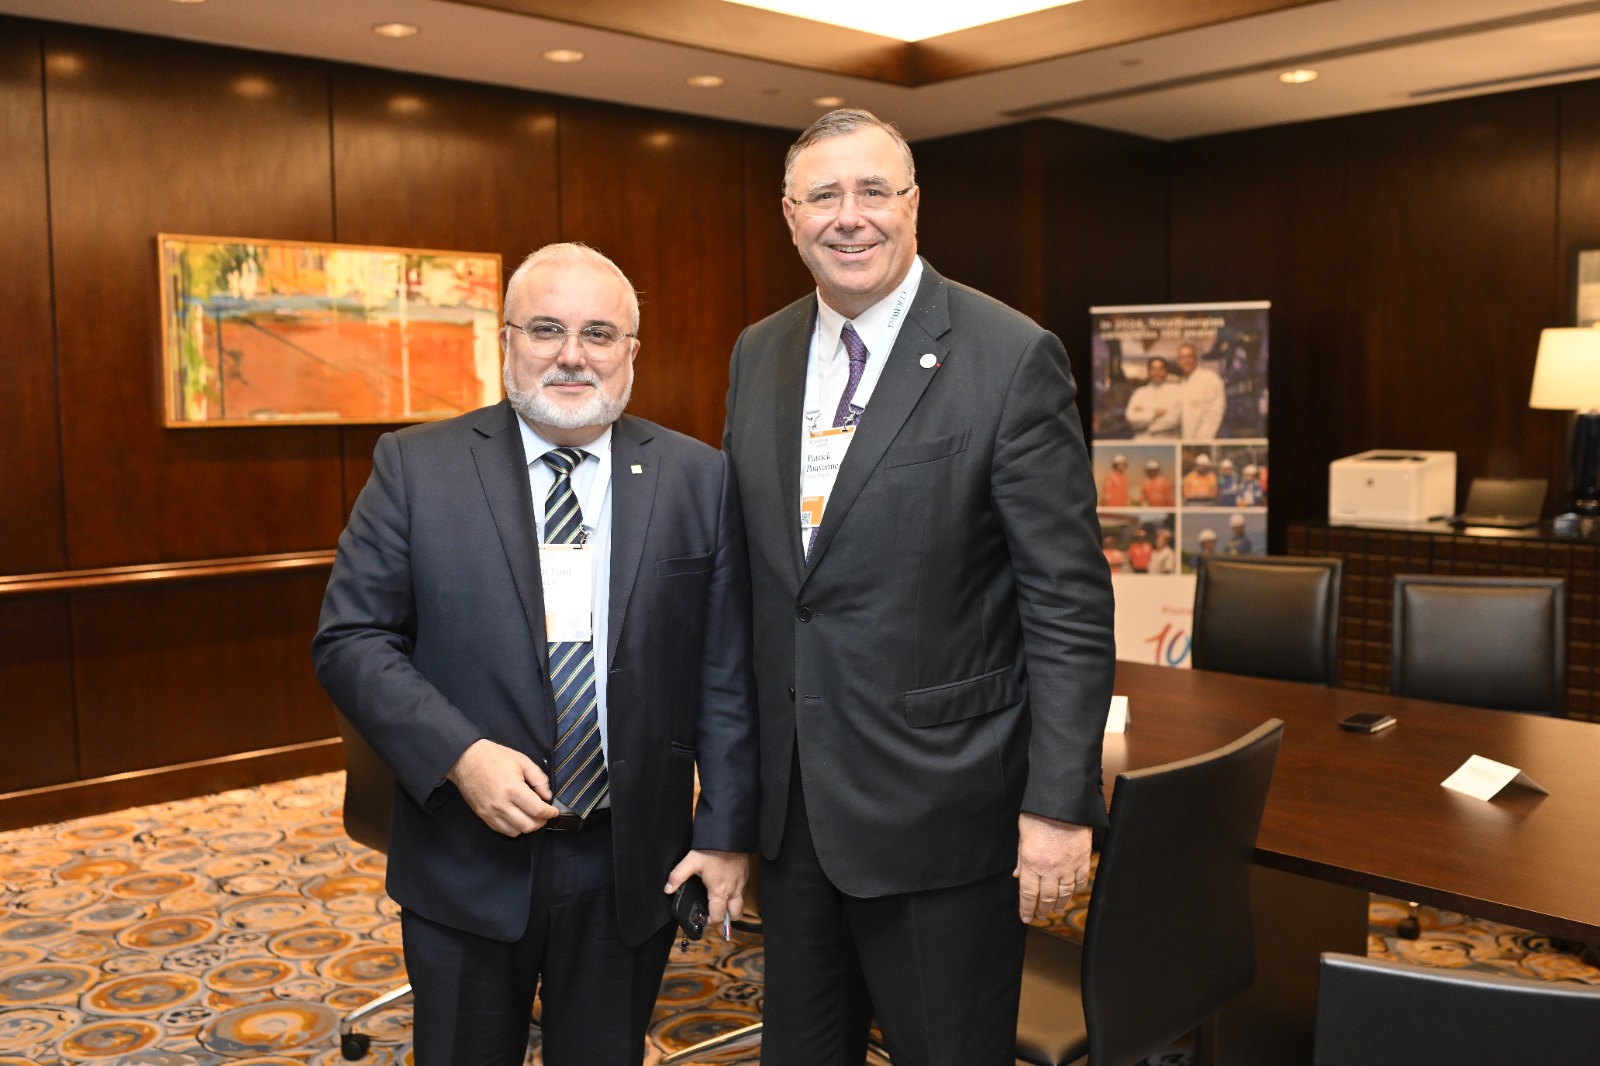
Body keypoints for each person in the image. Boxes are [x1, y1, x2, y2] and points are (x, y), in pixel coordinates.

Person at [722, 109, 1115, 1066]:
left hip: (944, 812)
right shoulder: (758, 351)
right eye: (823, 196)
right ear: (789, 217)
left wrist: (1059, 804)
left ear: (913, 204)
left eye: (873, 191)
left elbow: (1066, 603)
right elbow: (763, 589)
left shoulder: (1010, 354)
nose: (848, 217)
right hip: (795, 814)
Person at [312, 243, 759, 1066]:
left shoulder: (699, 478)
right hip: (466, 849)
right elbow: (351, 640)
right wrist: (461, 755)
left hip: (631, 860)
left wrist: (726, 832)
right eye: (546, 329)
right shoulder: (416, 467)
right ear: (507, 340)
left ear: (631, 351)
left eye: (599, 333)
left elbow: (726, 672)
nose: (572, 355)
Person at [1176, 341, 1226, 440]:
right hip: (1185, 441)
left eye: (1189, 357)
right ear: (1178, 362)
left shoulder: (1210, 378)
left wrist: (1201, 440)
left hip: (1204, 441)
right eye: (1182, 357)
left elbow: (1215, 412)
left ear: (1196, 359)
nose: (1186, 361)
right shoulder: (1181, 384)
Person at [1123, 356, 1181, 438]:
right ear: (1149, 371)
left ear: (1166, 371)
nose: (1157, 372)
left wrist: (1144, 422)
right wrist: (1154, 413)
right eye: (1153, 369)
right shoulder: (1139, 392)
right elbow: (1130, 417)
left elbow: (1173, 419)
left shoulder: (1175, 390)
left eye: (1161, 369)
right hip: (1141, 442)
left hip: (1166, 441)